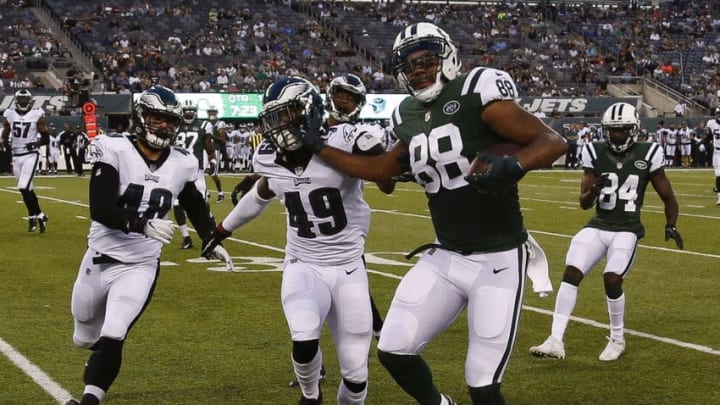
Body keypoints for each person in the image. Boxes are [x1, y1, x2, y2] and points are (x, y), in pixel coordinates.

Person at [290, 22, 566, 405]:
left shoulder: (475, 89)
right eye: (410, 66)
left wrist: (514, 166)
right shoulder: (407, 112)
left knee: (482, 385)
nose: (418, 71)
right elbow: (384, 170)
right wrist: (319, 147)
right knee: (393, 348)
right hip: (447, 254)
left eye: (426, 61)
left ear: (447, 57)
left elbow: (552, 141)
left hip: (498, 257)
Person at [203, 76, 389, 405]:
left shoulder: (346, 137)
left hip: (348, 268)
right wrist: (222, 230)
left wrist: (336, 148)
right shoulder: (268, 156)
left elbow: (383, 172)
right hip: (303, 263)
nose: (280, 125)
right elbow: (263, 192)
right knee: (303, 340)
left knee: (356, 375)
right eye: (275, 117)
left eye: (286, 114)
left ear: (308, 110)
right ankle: (310, 395)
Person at [64, 86, 233, 405]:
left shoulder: (182, 163)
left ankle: (89, 399)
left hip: (140, 265)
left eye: (170, 120)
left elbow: (194, 203)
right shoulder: (113, 148)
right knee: (84, 337)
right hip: (99, 256)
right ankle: (99, 361)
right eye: (157, 118)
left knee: (114, 332)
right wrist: (141, 223)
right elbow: (100, 207)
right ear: (142, 117)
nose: (164, 126)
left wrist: (211, 238)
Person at [529, 102, 683, 362]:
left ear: (633, 130)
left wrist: (671, 224)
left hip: (627, 228)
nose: (616, 135)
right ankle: (555, 340)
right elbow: (584, 203)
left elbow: (668, 196)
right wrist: (594, 190)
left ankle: (617, 338)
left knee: (612, 278)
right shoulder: (594, 151)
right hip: (599, 225)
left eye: (621, 130)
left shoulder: (649, 152)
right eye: (612, 130)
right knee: (571, 272)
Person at [1, 89, 50, 232]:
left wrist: (36, 144)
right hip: (16, 155)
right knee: (27, 189)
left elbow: (46, 137)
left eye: (25, 99)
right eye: (21, 99)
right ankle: (33, 216)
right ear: (16, 100)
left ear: (29, 100)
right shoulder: (9, 114)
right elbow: (6, 132)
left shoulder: (37, 114)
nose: (23, 102)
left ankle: (39, 215)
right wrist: (3, 141)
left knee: (23, 186)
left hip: (31, 154)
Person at [173, 98, 217, 249]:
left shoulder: (204, 125)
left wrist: (213, 161)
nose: (190, 112)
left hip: (195, 170)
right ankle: (186, 238)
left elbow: (209, 146)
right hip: (177, 170)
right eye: (187, 110)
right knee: (177, 204)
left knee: (202, 204)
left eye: (192, 110)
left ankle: (212, 230)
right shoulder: (175, 125)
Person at [201, 105, 226, 202]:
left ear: (216, 112)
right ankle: (205, 192)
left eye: (213, 111)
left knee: (213, 173)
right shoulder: (204, 123)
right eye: (210, 111)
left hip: (214, 150)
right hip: (204, 150)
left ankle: (221, 193)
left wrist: (211, 136)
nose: (212, 113)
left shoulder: (220, 124)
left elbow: (223, 141)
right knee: (200, 172)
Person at [706, 109, 720, 204]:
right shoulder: (711, 123)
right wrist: (703, 143)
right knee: (718, 174)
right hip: (717, 152)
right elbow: (710, 135)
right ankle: (719, 196)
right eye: (718, 113)